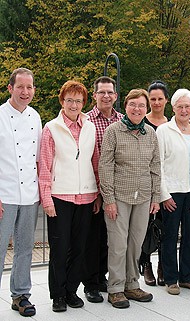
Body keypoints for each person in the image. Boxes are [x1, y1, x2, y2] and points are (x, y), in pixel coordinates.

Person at [39, 80, 101, 312]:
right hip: (60, 197)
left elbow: (94, 162)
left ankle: (71, 291)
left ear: (84, 103)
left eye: (78, 100)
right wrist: (46, 199)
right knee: (60, 247)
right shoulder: (51, 128)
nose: (73, 104)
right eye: (69, 100)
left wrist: (98, 194)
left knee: (79, 248)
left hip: (86, 196)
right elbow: (44, 166)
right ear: (62, 101)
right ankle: (58, 295)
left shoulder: (90, 127)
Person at [99, 89, 160, 309]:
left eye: (141, 105)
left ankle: (132, 283)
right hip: (119, 196)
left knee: (135, 243)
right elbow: (105, 165)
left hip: (143, 196)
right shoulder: (113, 131)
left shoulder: (151, 133)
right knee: (117, 244)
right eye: (133, 104)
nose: (137, 109)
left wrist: (155, 196)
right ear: (125, 106)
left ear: (146, 109)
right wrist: (109, 199)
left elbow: (155, 166)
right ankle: (115, 288)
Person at [0, 68, 41, 317]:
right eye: (20, 87)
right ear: (10, 88)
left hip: (30, 194)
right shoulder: (0, 115)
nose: (25, 92)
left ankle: (20, 295)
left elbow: (37, 159)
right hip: (4, 194)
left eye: (29, 87)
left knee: (25, 247)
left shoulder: (35, 117)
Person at [158, 89, 190, 295]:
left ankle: (186, 277)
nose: (184, 110)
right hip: (172, 192)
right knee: (169, 235)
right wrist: (164, 195)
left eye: (188, 106)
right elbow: (157, 164)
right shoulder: (163, 130)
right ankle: (171, 279)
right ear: (173, 108)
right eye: (180, 106)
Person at [83, 76, 123, 304]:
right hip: (93, 189)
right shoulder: (86, 120)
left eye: (110, 92)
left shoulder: (123, 121)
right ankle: (91, 283)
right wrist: (97, 192)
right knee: (93, 238)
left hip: (118, 191)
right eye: (102, 92)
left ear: (116, 96)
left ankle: (103, 278)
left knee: (111, 239)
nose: (106, 96)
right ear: (95, 95)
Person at [139, 80, 169, 287]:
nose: (156, 102)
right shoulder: (142, 121)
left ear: (166, 100)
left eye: (160, 98)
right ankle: (146, 264)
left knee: (165, 226)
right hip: (145, 182)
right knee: (146, 226)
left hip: (168, 183)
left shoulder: (172, 123)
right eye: (153, 99)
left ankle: (163, 266)